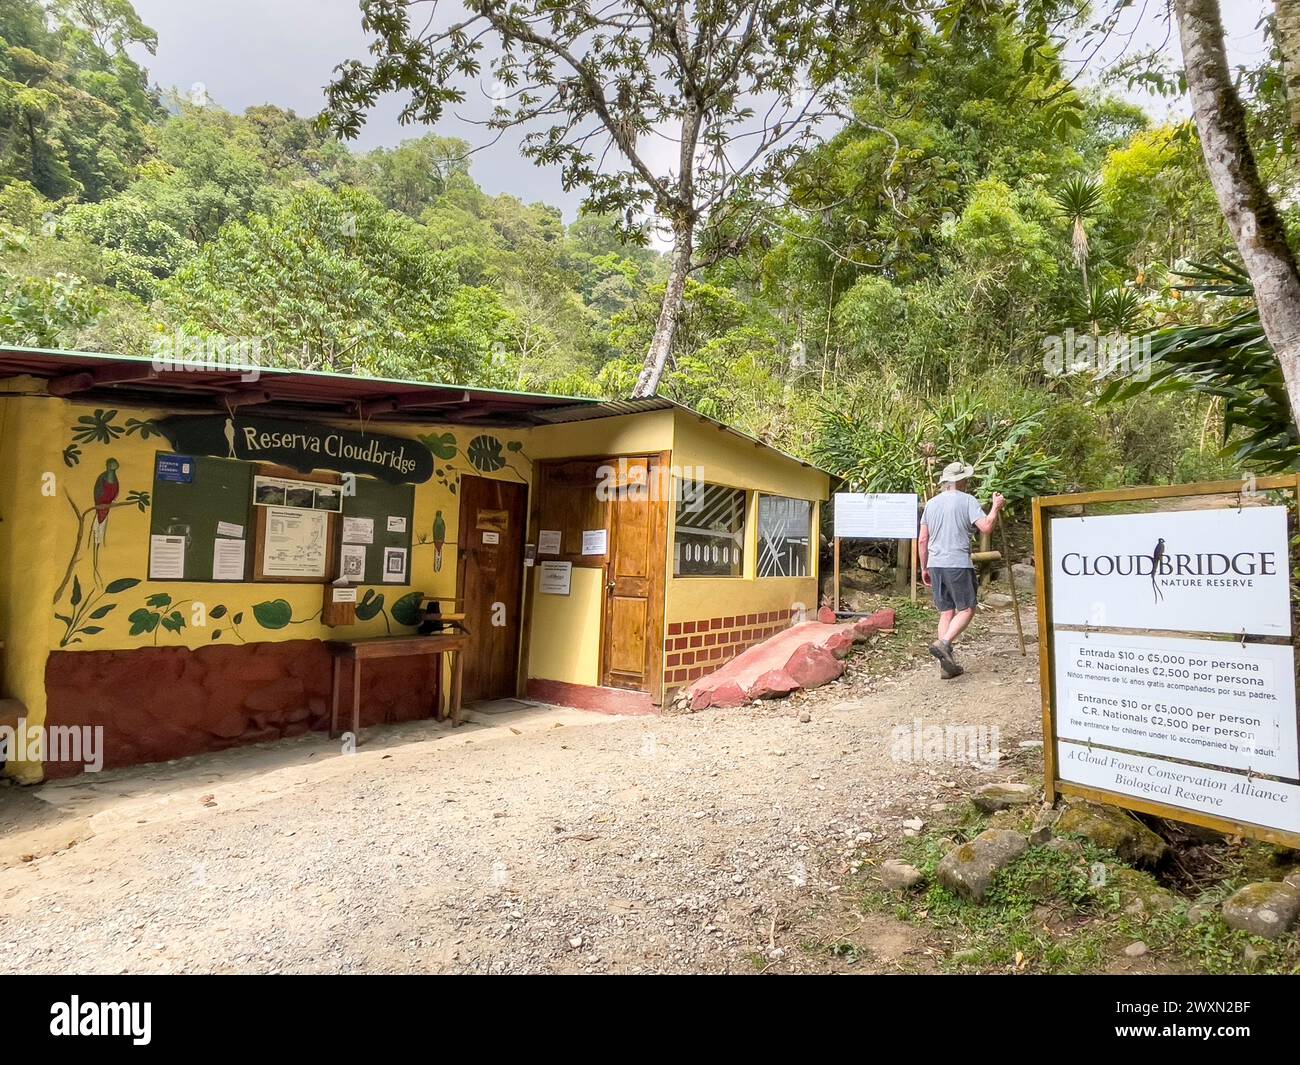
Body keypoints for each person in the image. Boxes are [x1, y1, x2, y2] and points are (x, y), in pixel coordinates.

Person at [918, 461, 1004, 679]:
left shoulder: (931, 503)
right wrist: (995, 506)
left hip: (936, 564)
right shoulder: (967, 501)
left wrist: (924, 567)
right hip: (957, 563)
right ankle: (944, 643)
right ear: (962, 480)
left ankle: (946, 666)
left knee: (946, 611)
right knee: (967, 609)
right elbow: (985, 527)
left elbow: (922, 539)